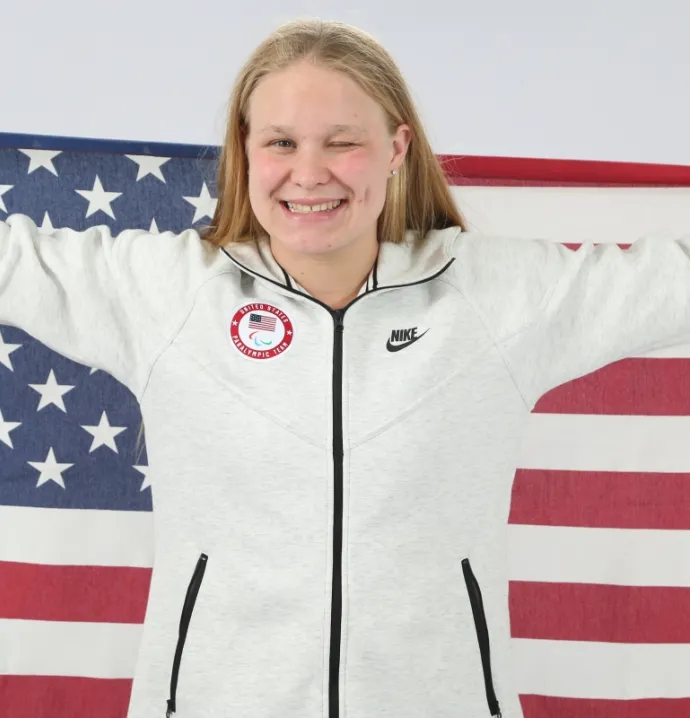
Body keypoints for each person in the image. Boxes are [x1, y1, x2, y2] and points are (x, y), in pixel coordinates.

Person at [1, 16, 689, 718]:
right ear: (244, 150)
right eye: (281, 142)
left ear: (396, 149)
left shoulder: (494, 296)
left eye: (342, 142)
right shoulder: (170, 294)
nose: (309, 173)